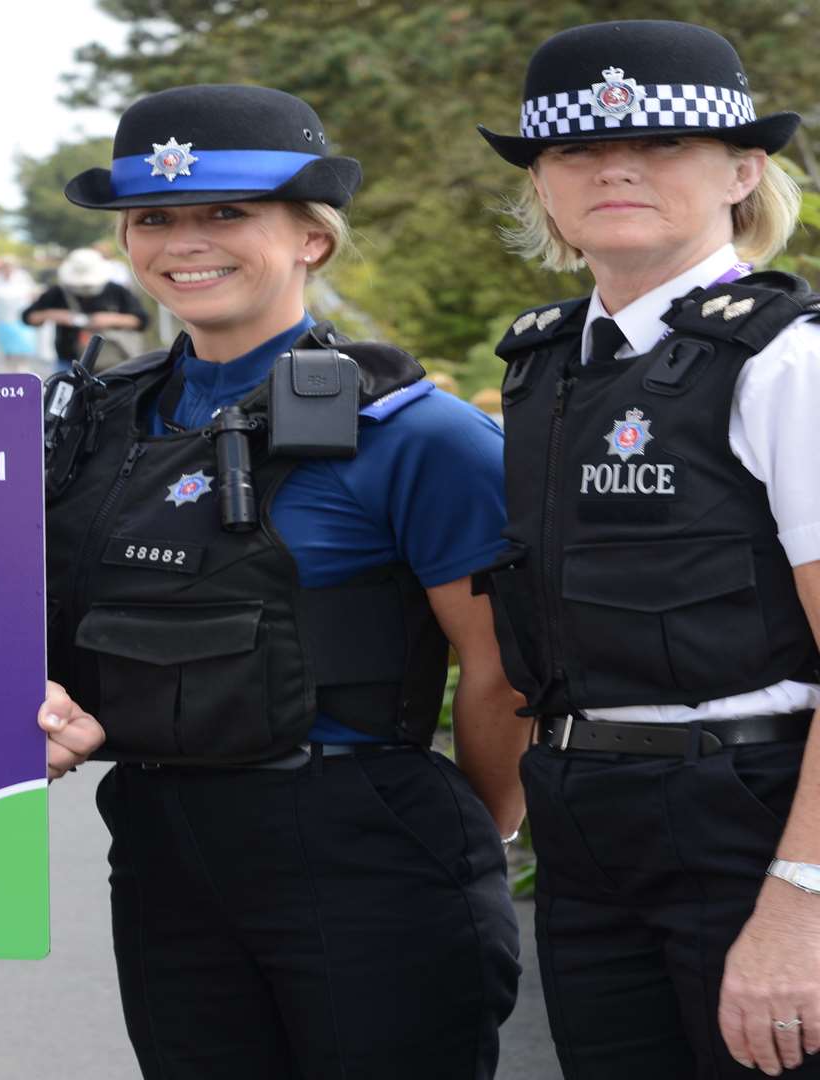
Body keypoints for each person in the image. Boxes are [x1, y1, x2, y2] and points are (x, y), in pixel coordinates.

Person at [42, 84, 523, 1078]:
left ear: (313, 238)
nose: (185, 241)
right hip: (162, 843)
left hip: (368, 848)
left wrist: (458, 842)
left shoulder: (419, 436)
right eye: (155, 218)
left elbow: (501, 672)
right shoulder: (93, 425)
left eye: (227, 212)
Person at [476, 20, 820, 1079]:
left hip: (750, 822)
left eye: (663, 142)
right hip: (590, 828)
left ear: (742, 171)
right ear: (543, 185)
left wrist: (799, 904)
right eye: (575, 149)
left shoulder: (784, 366)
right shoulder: (544, 366)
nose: (615, 165)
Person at [22, 246, 149, 370]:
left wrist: (111, 319)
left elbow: (142, 321)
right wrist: (54, 315)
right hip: (69, 360)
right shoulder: (59, 291)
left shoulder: (116, 291)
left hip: (113, 361)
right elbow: (28, 317)